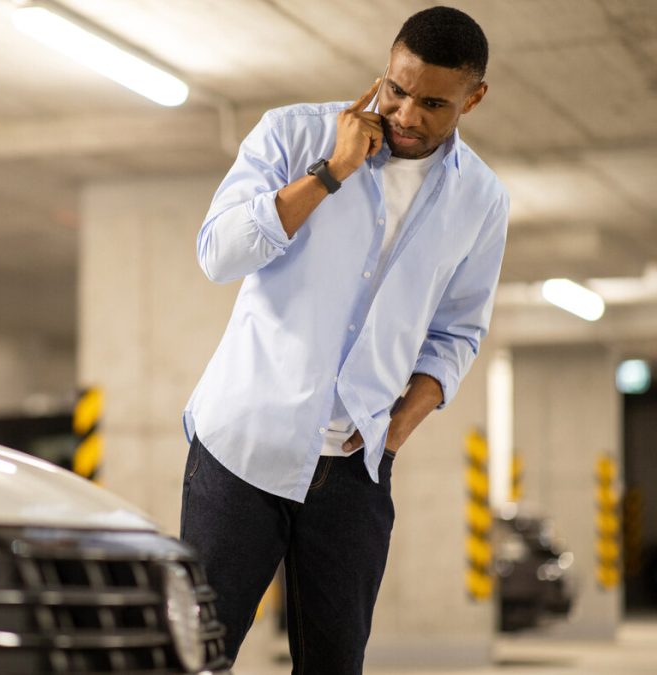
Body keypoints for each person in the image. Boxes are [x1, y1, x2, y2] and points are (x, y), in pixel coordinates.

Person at [180, 6, 508, 673]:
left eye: (433, 103)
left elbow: (456, 332)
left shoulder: (481, 199)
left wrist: (399, 427)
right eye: (397, 89)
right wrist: (330, 171)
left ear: (473, 98)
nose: (406, 115)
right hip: (243, 448)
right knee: (197, 659)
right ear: (384, 69)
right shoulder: (292, 133)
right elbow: (219, 254)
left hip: (355, 472)